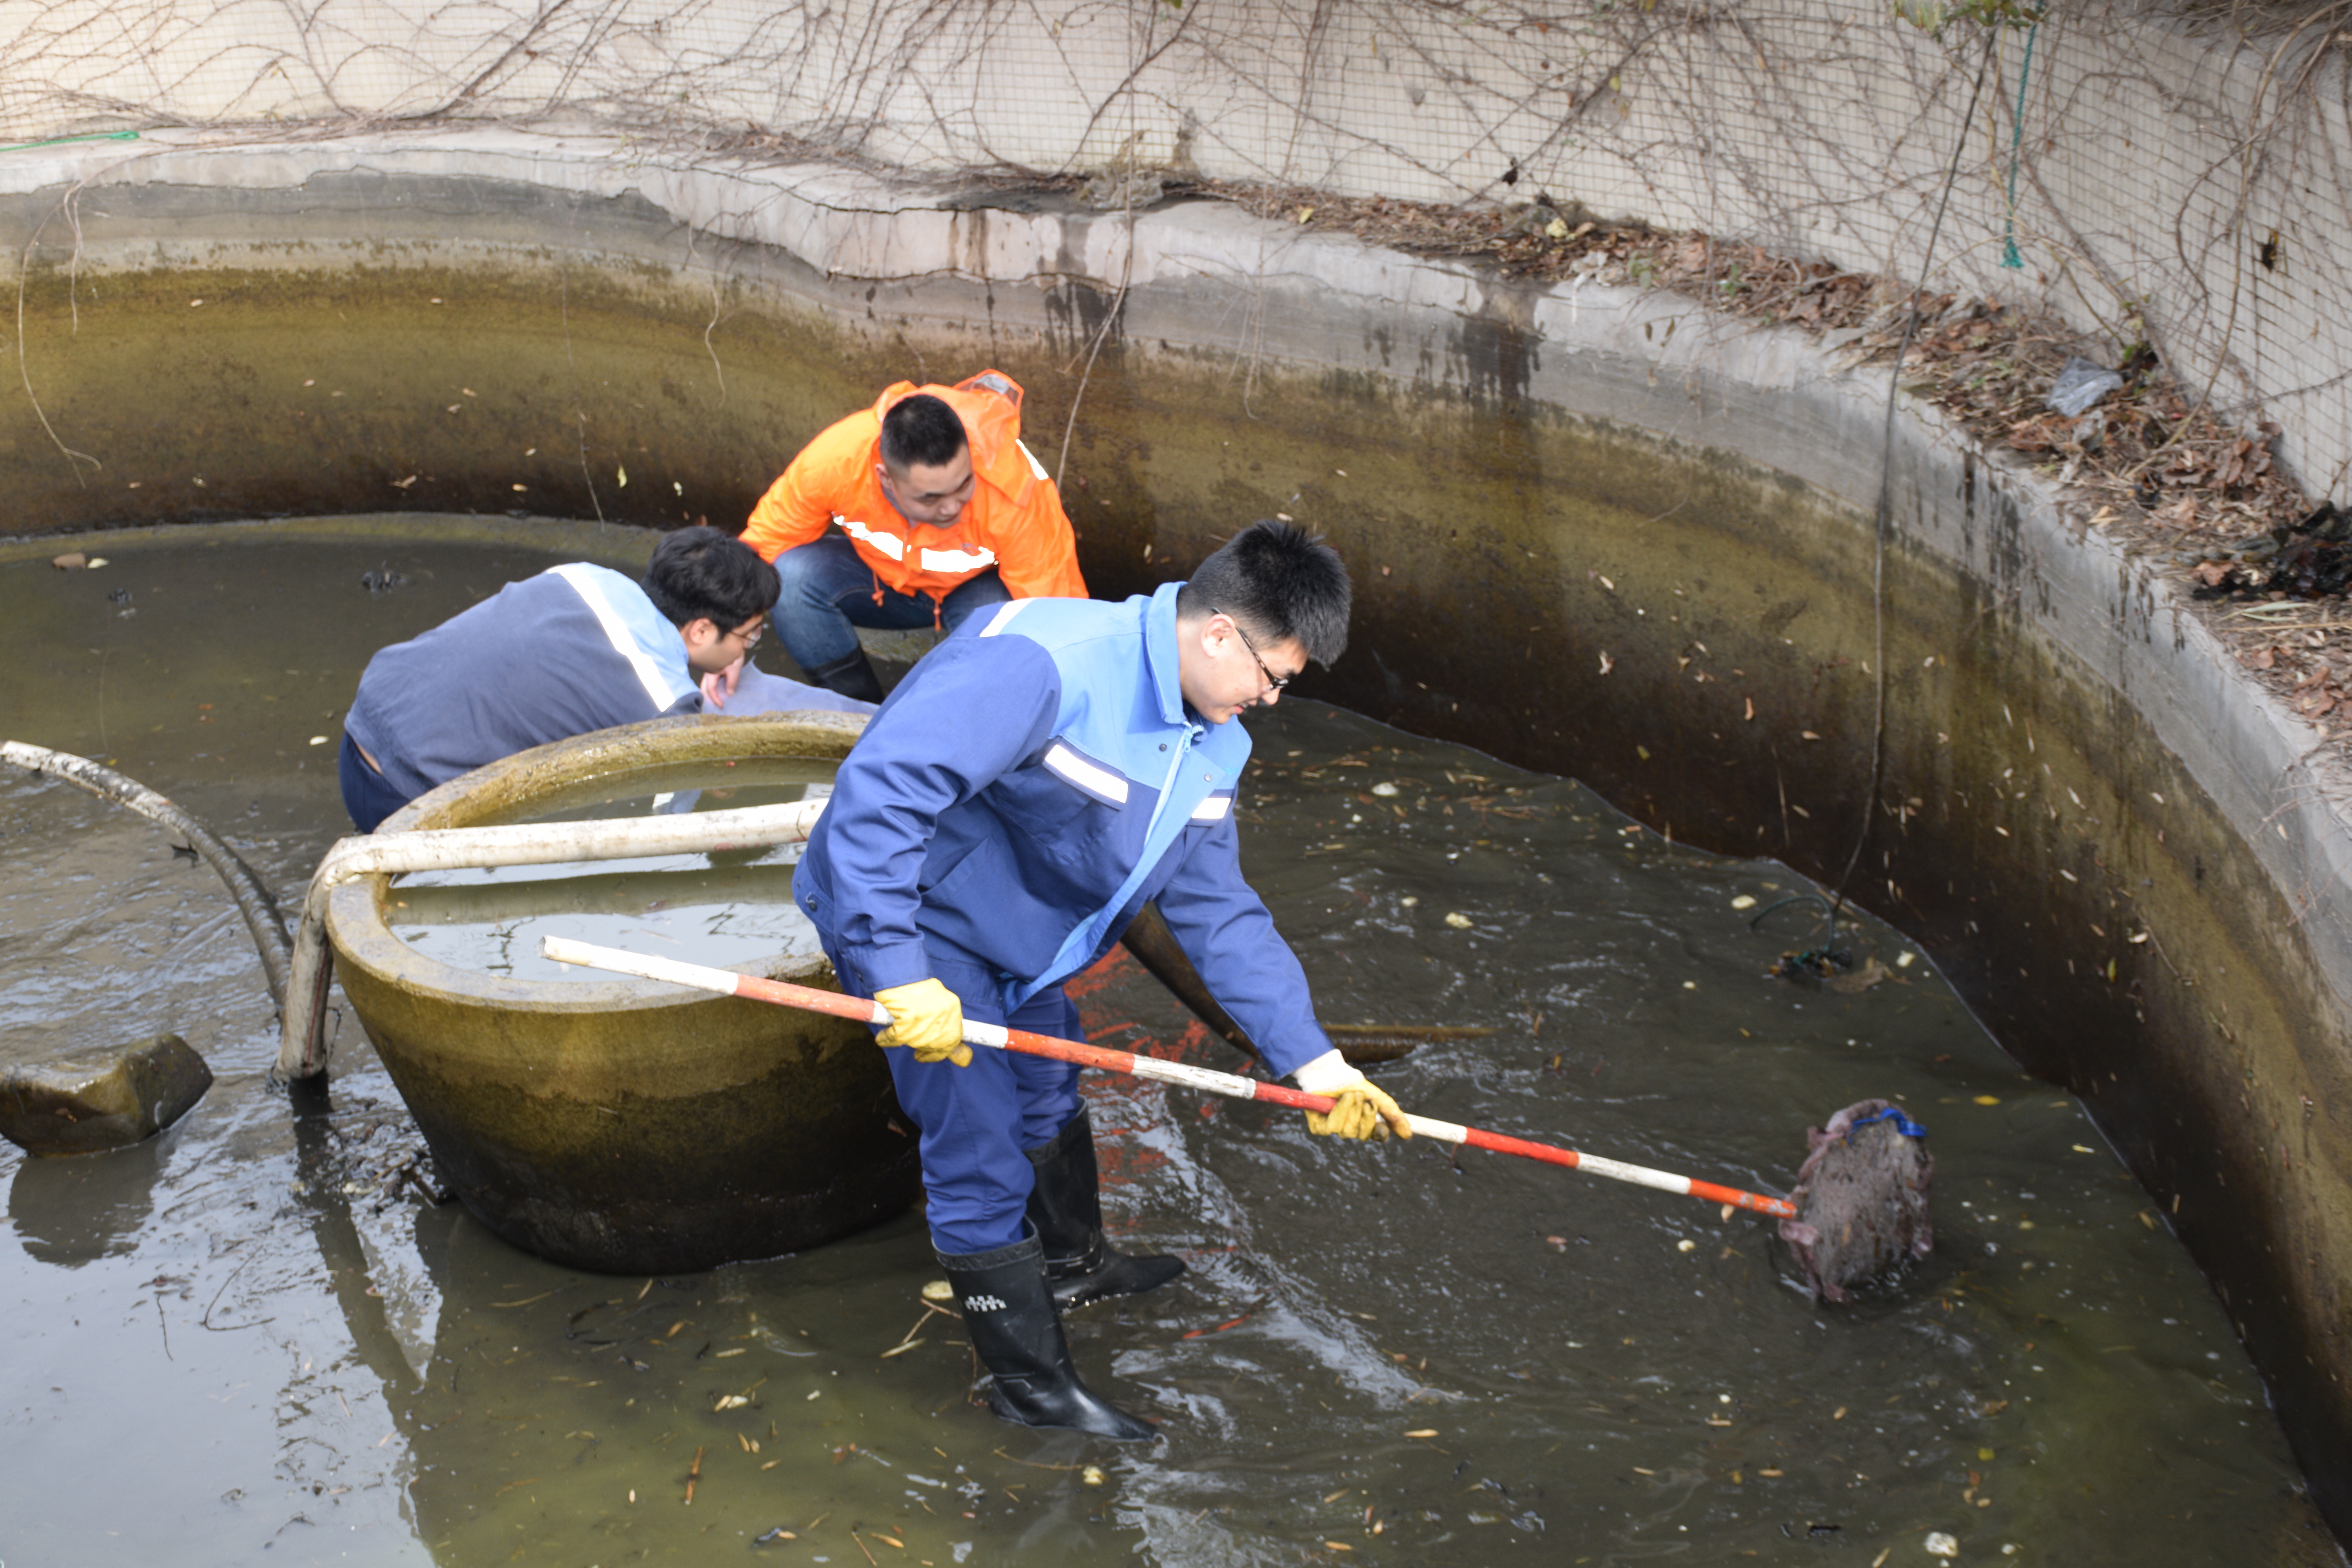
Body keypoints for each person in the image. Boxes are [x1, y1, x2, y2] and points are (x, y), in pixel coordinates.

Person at [791, 519, 1413, 1441]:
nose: (1272, 699)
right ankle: (1028, 1386)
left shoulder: (1215, 743)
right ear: (1219, 633)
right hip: (923, 924)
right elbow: (880, 794)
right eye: (1273, 677)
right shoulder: (1046, 663)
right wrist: (895, 969)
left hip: (1029, 936)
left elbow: (1219, 911)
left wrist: (1313, 1060)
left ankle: (1076, 1265)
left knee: (1048, 1084)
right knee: (979, 1145)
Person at [339, 526, 780, 833]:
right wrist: (705, 776)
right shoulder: (666, 704)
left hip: (361, 733)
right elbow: (663, 830)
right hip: (407, 801)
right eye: (750, 635)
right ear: (701, 631)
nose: (747, 648)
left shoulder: (583, 577)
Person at [738, 369, 1087, 702]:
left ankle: (971, 711)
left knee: (1006, 634)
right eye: (930, 498)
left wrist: (1071, 697)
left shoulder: (1016, 490)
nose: (952, 508)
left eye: (964, 485)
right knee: (790, 577)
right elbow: (764, 545)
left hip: (973, 595)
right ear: (886, 478)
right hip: (881, 584)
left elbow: (1056, 613)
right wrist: (731, 638)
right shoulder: (838, 462)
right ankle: (856, 710)